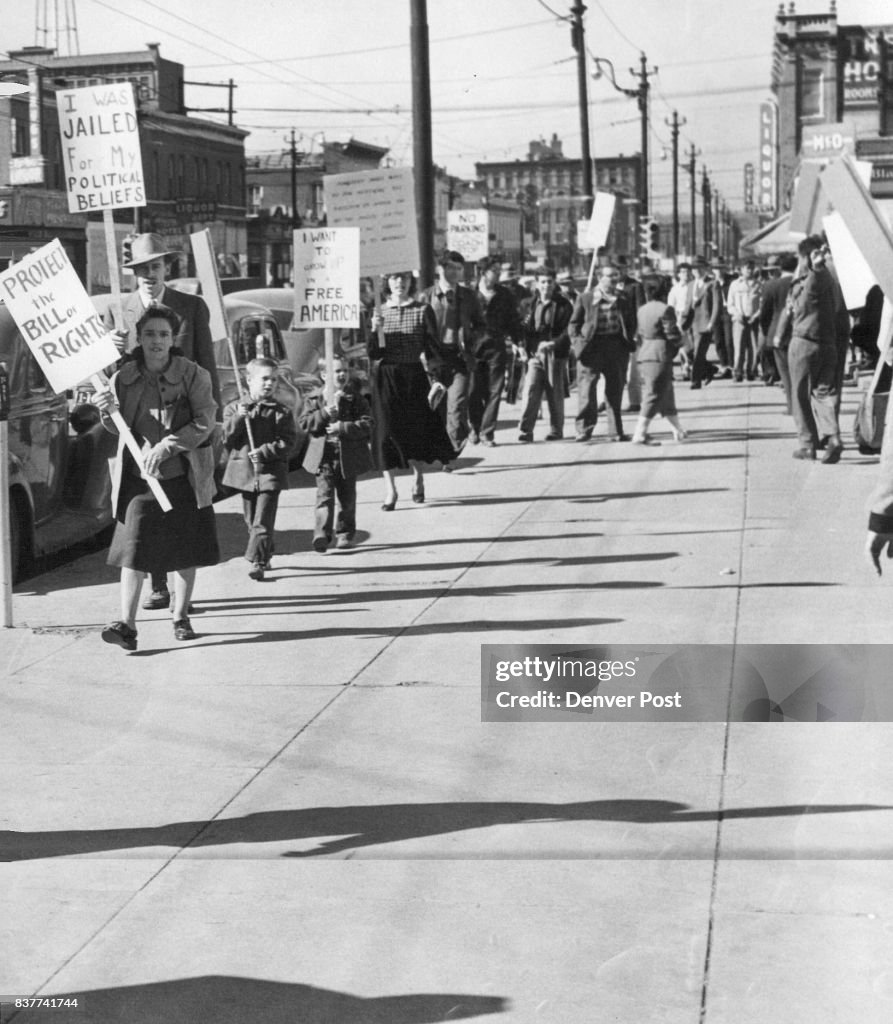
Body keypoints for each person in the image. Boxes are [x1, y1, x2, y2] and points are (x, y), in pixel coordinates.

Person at [104, 232, 221, 613]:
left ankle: (179, 600)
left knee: (182, 510)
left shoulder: (191, 306)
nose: (148, 275)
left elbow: (206, 364)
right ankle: (157, 586)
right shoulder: (118, 311)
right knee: (145, 510)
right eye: (140, 269)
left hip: (183, 420)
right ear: (132, 274)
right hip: (139, 425)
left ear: (166, 267)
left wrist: (211, 426)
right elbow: (111, 374)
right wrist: (112, 350)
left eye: (154, 266)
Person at [94, 306, 219, 651]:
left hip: (183, 476)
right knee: (132, 551)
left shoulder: (194, 375)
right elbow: (116, 428)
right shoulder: (123, 376)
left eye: (163, 334)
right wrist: (105, 408)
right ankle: (126, 624)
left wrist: (166, 447)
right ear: (139, 337)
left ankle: (180, 616)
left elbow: (205, 421)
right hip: (138, 478)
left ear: (172, 339)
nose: (156, 341)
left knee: (184, 550)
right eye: (149, 334)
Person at [369, 271, 456, 509]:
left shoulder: (422, 310)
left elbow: (432, 347)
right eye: (395, 278)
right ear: (387, 282)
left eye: (404, 278)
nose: (400, 283)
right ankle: (391, 490)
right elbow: (374, 353)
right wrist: (373, 330)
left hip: (413, 376)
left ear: (410, 282)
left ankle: (418, 479)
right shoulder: (379, 311)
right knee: (384, 432)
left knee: (414, 430)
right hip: (386, 377)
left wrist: (439, 378)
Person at [222, 356, 298, 580]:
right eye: (264, 379)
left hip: (270, 474)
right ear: (248, 380)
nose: (270, 384)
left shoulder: (281, 411)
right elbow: (225, 438)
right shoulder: (234, 408)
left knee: (262, 520)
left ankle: (258, 561)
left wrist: (265, 451)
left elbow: (288, 442)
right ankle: (266, 549)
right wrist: (239, 417)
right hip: (244, 474)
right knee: (251, 521)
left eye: (274, 380)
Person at [299, 356, 373, 551]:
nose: (342, 375)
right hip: (323, 457)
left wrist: (344, 427)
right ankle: (321, 533)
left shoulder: (355, 398)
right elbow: (305, 424)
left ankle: (345, 533)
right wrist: (323, 413)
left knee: (347, 497)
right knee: (324, 496)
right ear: (324, 375)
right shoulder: (314, 399)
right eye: (336, 371)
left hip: (347, 455)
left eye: (345, 371)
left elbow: (367, 424)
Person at [420, 250, 485, 456]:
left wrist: (471, 340)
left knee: (457, 405)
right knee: (437, 407)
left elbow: (481, 325)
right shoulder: (426, 296)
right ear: (441, 269)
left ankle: (452, 450)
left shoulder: (468, 296)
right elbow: (417, 327)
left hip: (459, 358)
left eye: (459, 268)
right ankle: (443, 444)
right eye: (451, 268)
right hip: (434, 358)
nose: (456, 272)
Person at [787, 236, 843, 463]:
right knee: (824, 392)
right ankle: (833, 437)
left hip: (804, 343)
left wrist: (815, 266)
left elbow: (812, 287)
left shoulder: (814, 278)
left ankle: (808, 444)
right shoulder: (831, 280)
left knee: (800, 395)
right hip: (828, 344)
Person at [569, 263, 637, 442]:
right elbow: (574, 324)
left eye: (616, 275)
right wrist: (577, 343)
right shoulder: (586, 298)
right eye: (610, 276)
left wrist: (629, 339)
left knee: (615, 389)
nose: (614, 279)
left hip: (616, 347)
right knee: (587, 389)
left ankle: (615, 431)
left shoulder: (623, 298)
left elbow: (631, 321)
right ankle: (584, 429)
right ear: (600, 278)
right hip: (591, 348)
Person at [517, 266, 573, 443]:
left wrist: (553, 344)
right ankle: (526, 430)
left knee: (554, 393)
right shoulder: (528, 304)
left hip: (555, 355)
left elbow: (569, 330)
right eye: (542, 282)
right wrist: (520, 345)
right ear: (536, 283)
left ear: (554, 283)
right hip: (534, 355)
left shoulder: (564, 305)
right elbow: (521, 328)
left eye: (549, 282)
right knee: (531, 390)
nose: (546, 285)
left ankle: (556, 430)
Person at [470, 256, 521, 446]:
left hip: (497, 348)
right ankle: (474, 428)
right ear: (483, 272)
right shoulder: (469, 294)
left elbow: (513, 320)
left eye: (500, 271)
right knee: (474, 391)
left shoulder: (505, 295)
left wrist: (518, 341)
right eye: (495, 271)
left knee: (495, 391)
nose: (499, 275)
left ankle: (487, 432)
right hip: (474, 348)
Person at [631, 278, 687, 445]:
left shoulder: (642, 310)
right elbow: (671, 333)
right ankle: (639, 433)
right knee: (653, 394)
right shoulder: (665, 309)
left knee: (666, 393)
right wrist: (682, 343)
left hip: (645, 353)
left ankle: (678, 430)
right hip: (660, 354)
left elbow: (639, 333)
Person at [759, 252, 798, 415]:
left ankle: (792, 406)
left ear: (780, 268)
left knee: (785, 373)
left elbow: (764, 314)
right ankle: (803, 405)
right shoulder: (802, 283)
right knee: (799, 371)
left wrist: (767, 330)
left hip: (777, 334)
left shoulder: (770, 285)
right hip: (798, 332)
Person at [726, 260, 763, 382]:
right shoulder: (735, 285)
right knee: (739, 347)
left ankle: (751, 371)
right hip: (739, 320)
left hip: (753, 319)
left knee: (753, 347)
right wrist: (737, 314)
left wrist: (756, 316)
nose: (750, 270)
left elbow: (762, 304)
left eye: (752, 268)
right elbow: (730, 304)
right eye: (747, 268)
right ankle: (738, 372)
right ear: (741, 269)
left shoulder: (759, 285)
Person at [688, 256, 721, 389]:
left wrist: (712, 322)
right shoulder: (690, 284)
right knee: (688, 351)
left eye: (699, 268)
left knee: (698, 353)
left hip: (704, 323)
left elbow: (717, 305)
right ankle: (709, 369)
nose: (696, 271)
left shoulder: (713, 283)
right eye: (694, 269)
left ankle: (695, 380)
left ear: (705, 268)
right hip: (690, 323)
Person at [667, 263, 694, 381]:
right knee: (683, 346)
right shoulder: (675, 289)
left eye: (688, 271)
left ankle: (694, 369)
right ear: (678, 274)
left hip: (694, 317)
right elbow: (671, 306)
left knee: (693, 345)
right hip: (680, 317)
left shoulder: (695, 286)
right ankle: (685, 369)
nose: (686, 274)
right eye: (683, 272)